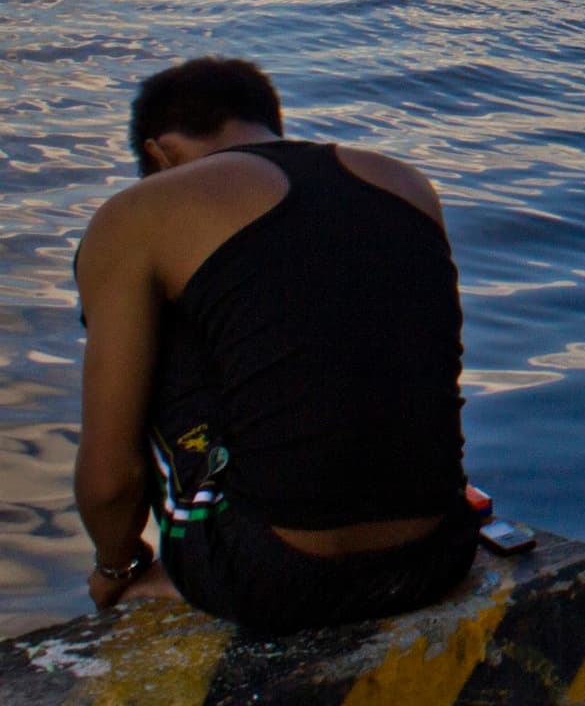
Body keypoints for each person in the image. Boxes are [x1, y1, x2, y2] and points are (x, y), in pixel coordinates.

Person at [74, 57, 476, 634]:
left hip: (272, 577)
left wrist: (116, 567)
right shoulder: (406, 183)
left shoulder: (141, 211)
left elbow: (111, 479)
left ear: (159, 154)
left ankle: (165, 568)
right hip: (440, 554)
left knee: (144, 322)